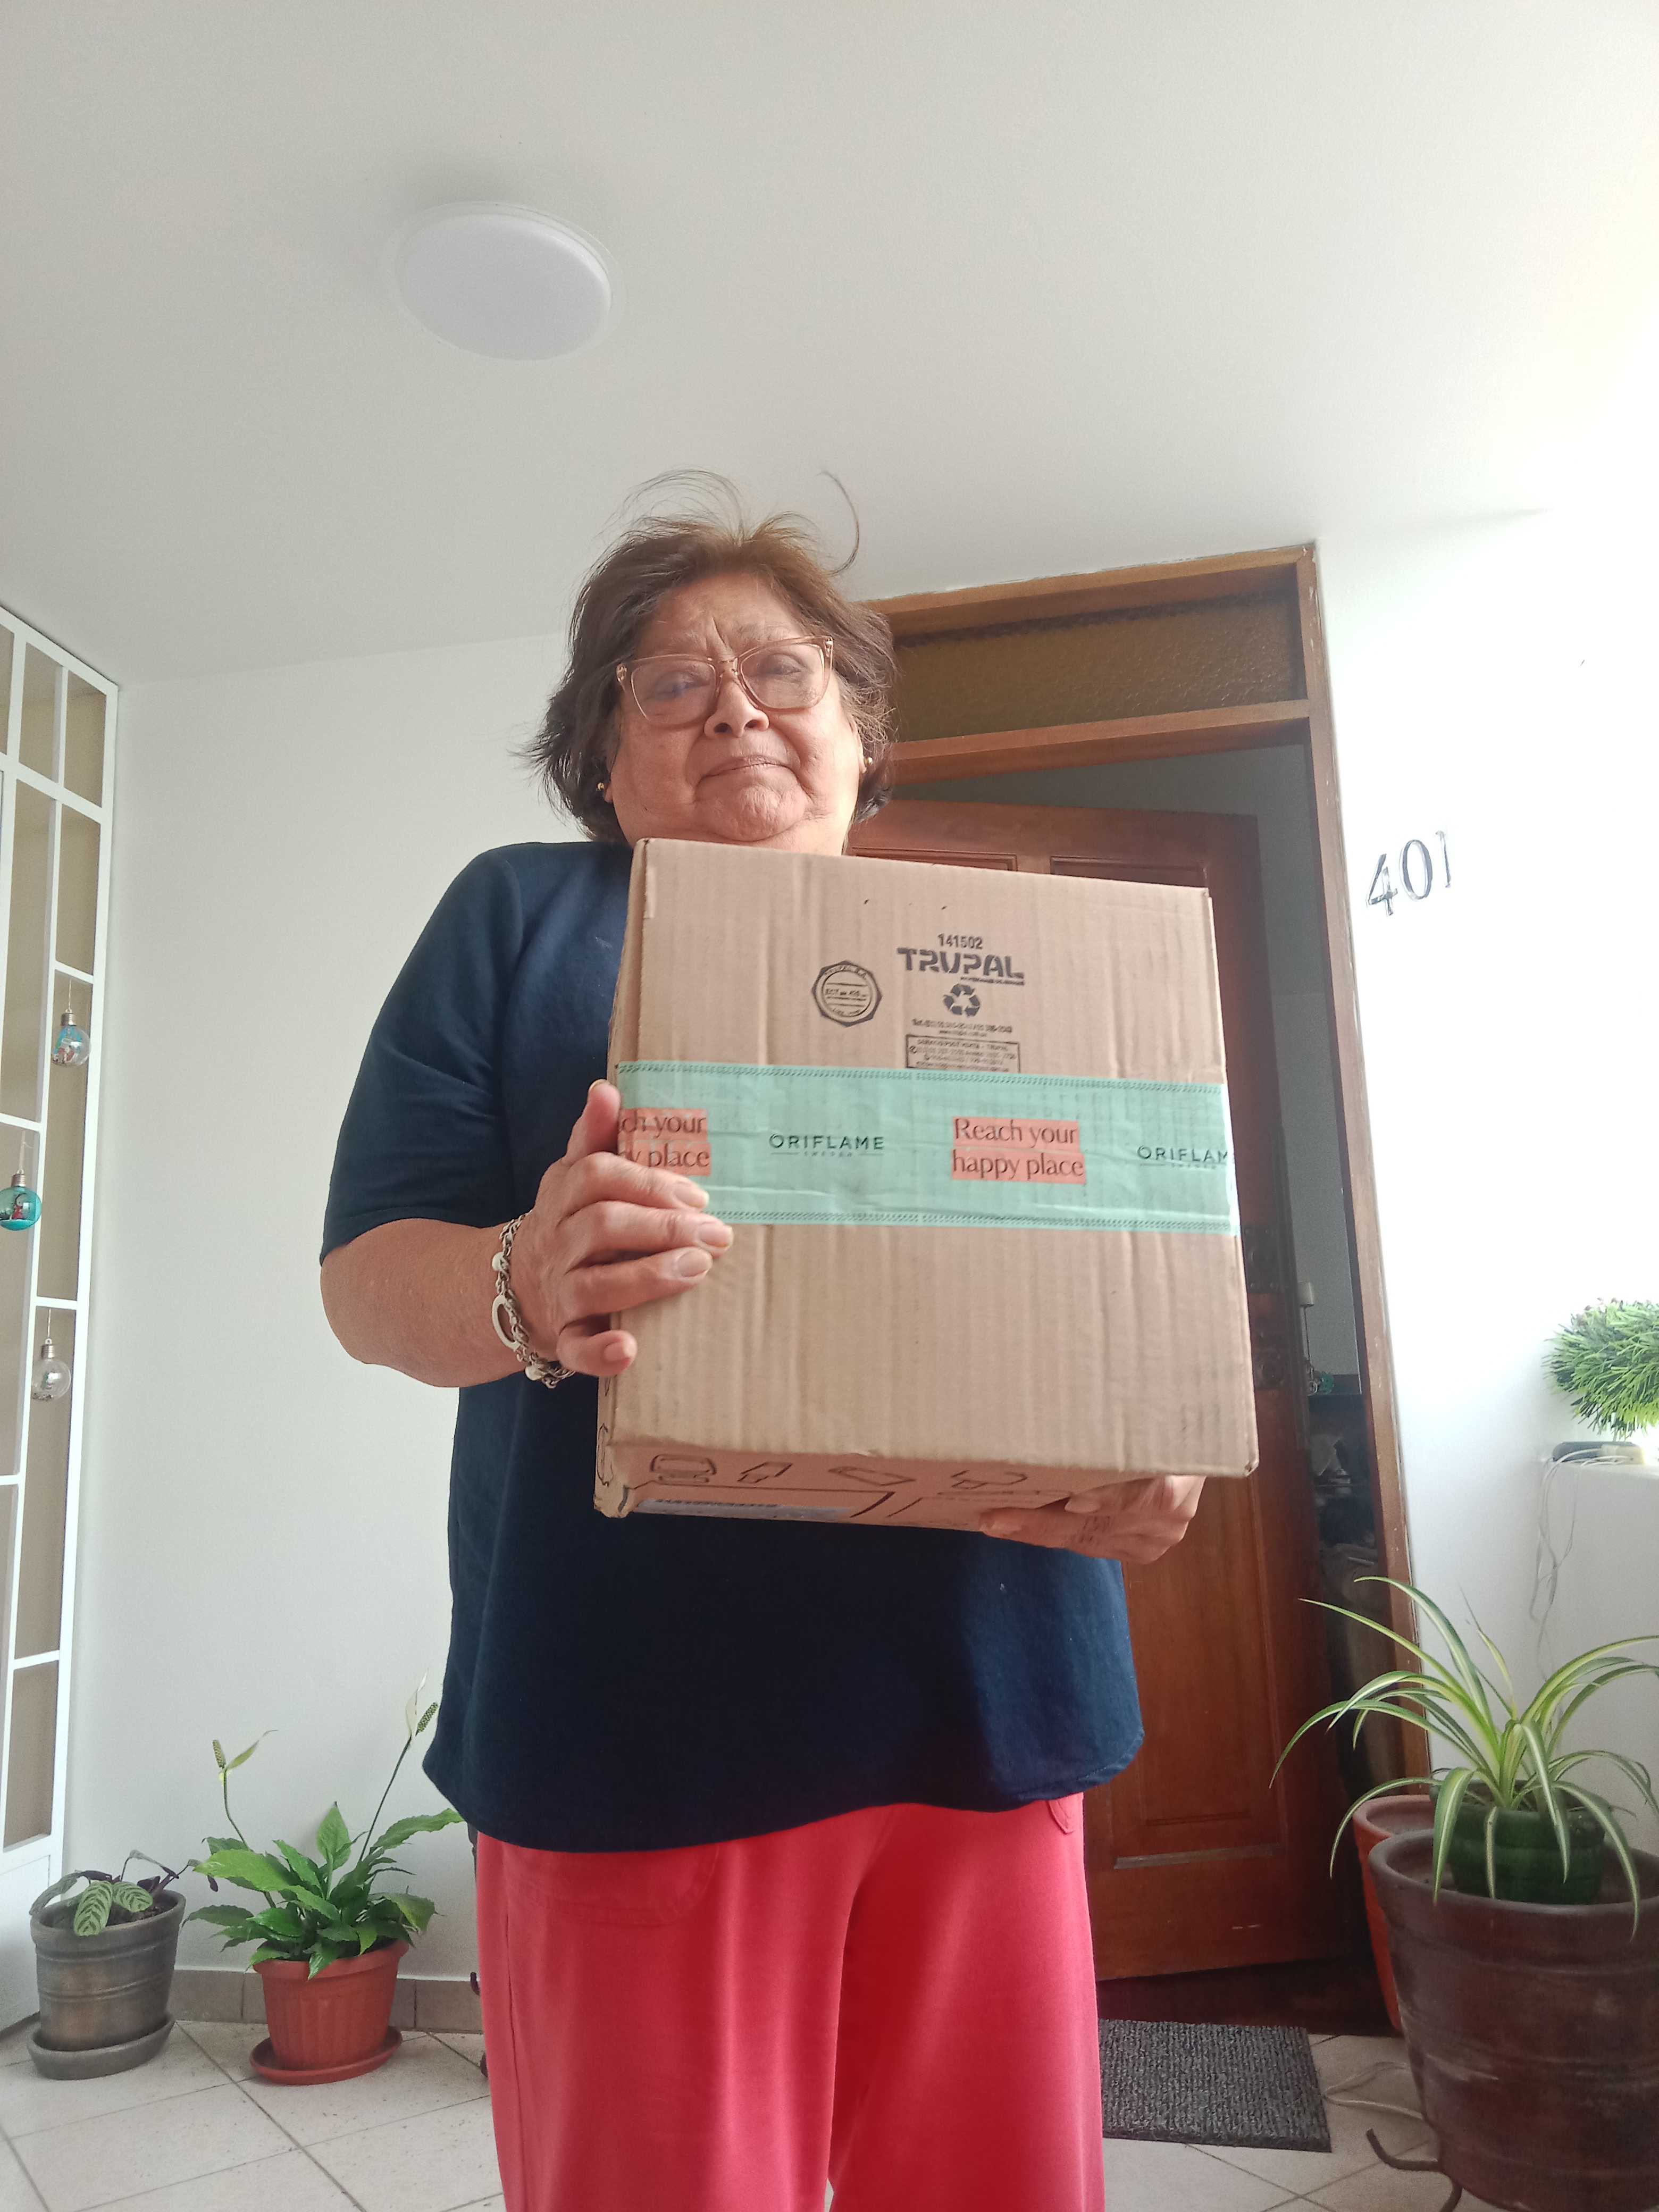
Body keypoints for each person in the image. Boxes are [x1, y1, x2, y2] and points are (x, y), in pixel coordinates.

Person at [320, 487, 1204, 2212]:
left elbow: (1126, 1273)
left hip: (987, 1701)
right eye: (670, 684)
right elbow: (366, 1281)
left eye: (783, 671)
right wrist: (521, 1278)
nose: (733, 709)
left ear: (863, 733)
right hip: (631, 1722)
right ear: (602, 762)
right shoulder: (517, 920)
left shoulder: (1005, 953)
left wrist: (1152, 1444)